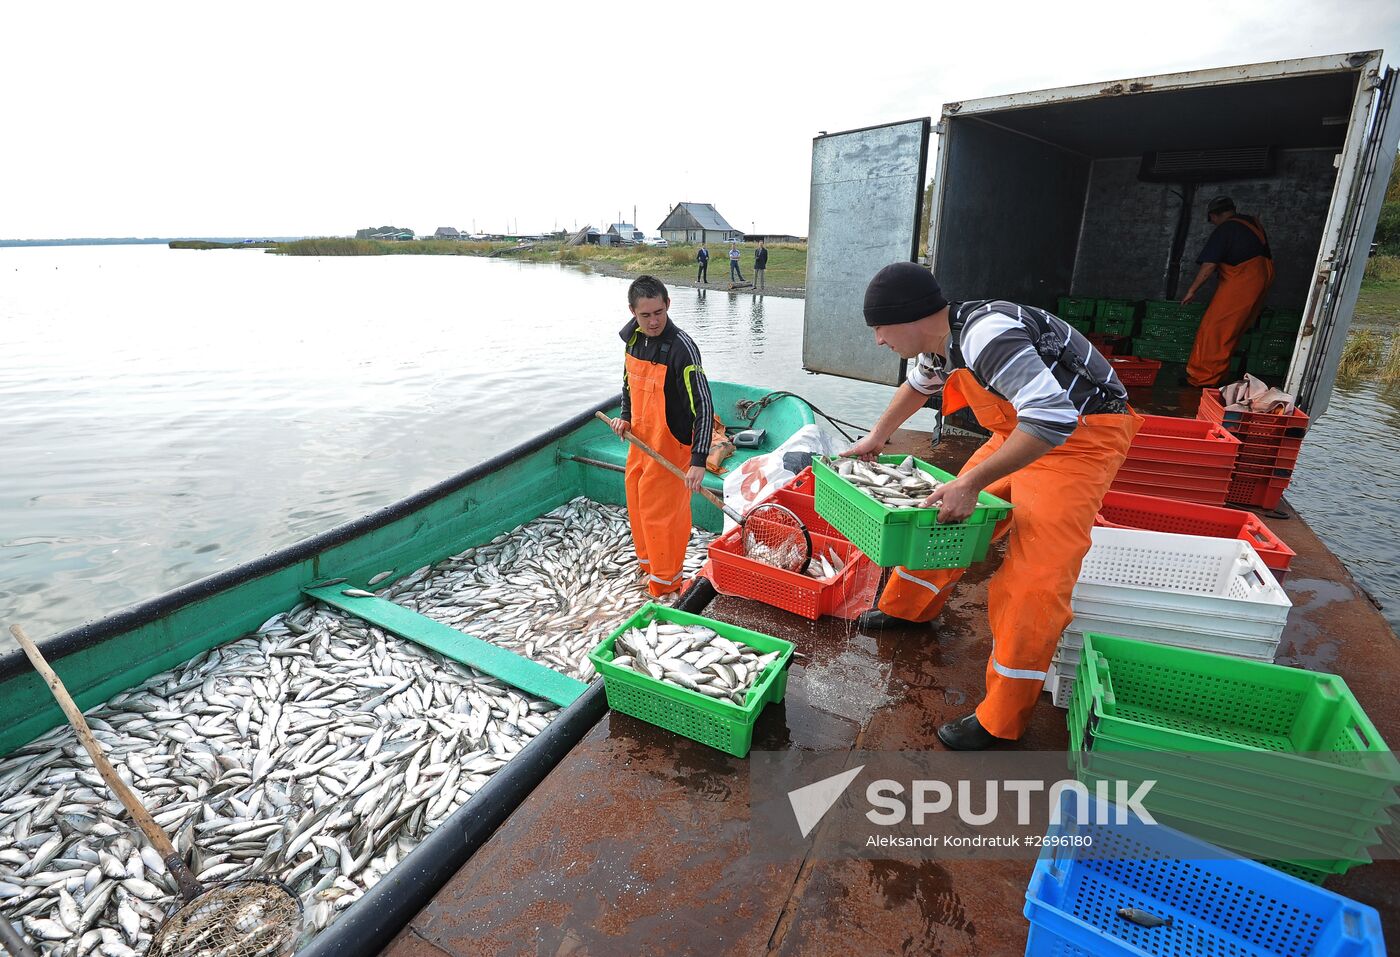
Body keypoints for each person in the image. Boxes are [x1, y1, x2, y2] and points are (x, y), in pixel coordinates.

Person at [846, 262, 1141, 750]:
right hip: (1018, 434)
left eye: (879, 328)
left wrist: (972, 482)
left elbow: (1052, 418)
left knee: (1034, 582)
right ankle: (908, 608)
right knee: (939, 519)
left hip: (1080, 441)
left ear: (910, 318)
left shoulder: (986, 334)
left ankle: (1002, 718)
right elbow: (919, 387)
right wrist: (876, 439)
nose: (878, 340)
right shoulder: (944, 342)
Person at [609, 275, 714, 597]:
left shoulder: (682, 348)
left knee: (663, 519)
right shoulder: (632, 339)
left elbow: (705, 407)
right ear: (633, 312)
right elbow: (628, 382)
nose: (653, 321)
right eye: (646, 315)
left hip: (670, 449)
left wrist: (698, 461)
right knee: (639, 507)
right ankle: (648, 566)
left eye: (659, 312)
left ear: (667, 305)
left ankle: (665, 586)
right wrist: (625, 418)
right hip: (640, 442)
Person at [1182, 196, 1275, 387]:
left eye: (1212, 220)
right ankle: (1217, 376)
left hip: (1244, 281)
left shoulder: (1226, 228)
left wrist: (1192, 290)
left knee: (1214, 330)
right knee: (1231, 331)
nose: (1213, 223)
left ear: (1215, 215)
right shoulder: (1251, 223)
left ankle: (1202, 379)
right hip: (1260, 278)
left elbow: (1209, 266)